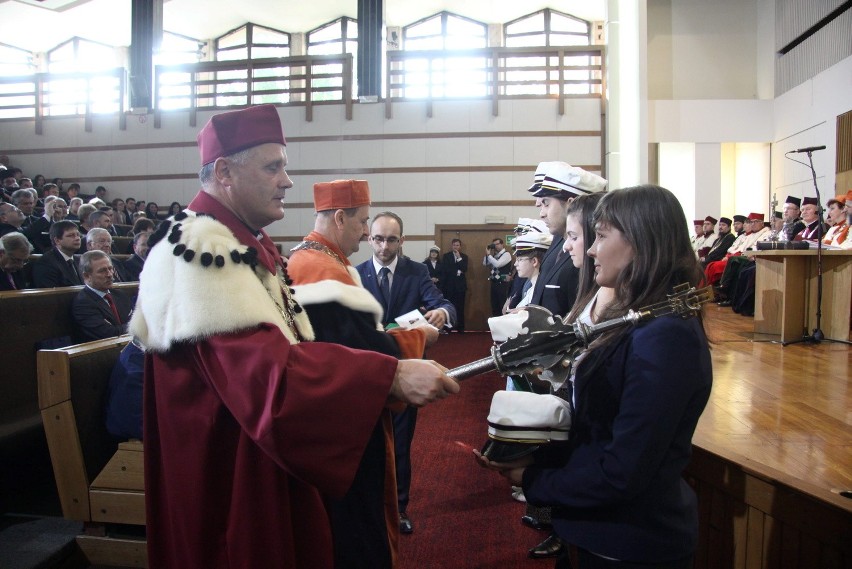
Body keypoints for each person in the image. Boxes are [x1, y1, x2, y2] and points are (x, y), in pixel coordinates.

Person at [128, 105, 458, 569]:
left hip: (252, 453)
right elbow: (267, 380)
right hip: (228, 476)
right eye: (272, 166)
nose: (287, 181)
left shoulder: (236, 242)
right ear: (224, 171)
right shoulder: (200, 250)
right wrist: (390, 375)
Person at [476, 184, 712, 569]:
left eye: (600, 236)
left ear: (640, 241)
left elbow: (623, 470)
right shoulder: (640, 319)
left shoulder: (665, 336)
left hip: (630, 540)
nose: (588, 249)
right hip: (597, 530)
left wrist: (531, 479)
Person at [289, 184, 439, 567]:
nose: (364, 231)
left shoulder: (318, 259)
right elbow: (364, 353)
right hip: (345, 431)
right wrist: (418, 337)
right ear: (340, 217)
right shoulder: (321, 272)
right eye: (361, 221)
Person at [355, 211, 457, 537]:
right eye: (378, 238)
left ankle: (398, 509)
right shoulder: (354, 276)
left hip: (408, 373)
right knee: (367, 446)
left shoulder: (417, 272)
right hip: (367, 374)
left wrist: (441, 311)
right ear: (369, 239)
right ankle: (370, 508)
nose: (384, 246)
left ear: (403, 240)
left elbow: (441, 303)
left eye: (391, 239)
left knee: (399, 445)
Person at [528, 161, 606, 319]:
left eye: (546, 203)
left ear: (571, 204)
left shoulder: (586, 252)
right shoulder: (557, 242)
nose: (542, 213)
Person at [71, 250, 133, 343]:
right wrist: (135, 326)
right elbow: (110, 334)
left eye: (110, 268)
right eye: (102, 271)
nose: (109, 274)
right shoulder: (83, 303)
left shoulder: (120, 295)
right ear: (87, 276)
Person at [31, 220, 83, 288]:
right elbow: (51, 294)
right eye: (71, 235)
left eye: (78, 235)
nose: (77, 238)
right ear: (57, 240)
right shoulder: (45, 263)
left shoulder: (79, 260)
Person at [440, 238, 469, 332]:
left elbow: (464, 269)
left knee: (460, 308)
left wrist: (459, 258)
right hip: (449, 286)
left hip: (460, 287)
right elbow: (446, 269)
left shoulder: (464, 256)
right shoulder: (446, 256)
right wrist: (457, 271)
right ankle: (448, 328)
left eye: (457, 245)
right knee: (448, 308)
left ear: (460, 246)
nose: (455, 247)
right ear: (451, 246)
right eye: (454, 245)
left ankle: (460, 328)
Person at [483, 237, 513, 316]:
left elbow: (498, 264)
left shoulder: (506, 254)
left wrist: (489, 255)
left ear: (502, 244)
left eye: (497, 244)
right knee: (495, 306)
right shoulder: (494, 256)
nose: (495, 246)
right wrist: (488, 254)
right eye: (494, 244)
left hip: (502, 284)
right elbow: (485, 263)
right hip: (494, 283)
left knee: (502, 305)